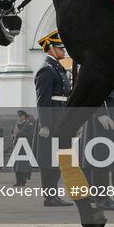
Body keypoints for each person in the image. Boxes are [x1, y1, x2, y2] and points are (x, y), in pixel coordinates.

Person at [34, 31, 74, 207]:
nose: (63, 51)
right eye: (60, 48)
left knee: (57, 159)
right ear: (51, 49)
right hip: (51, 120)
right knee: (49, 161)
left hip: (60, 117)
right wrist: (45, 124)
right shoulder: (46, 70)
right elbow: (43, 98)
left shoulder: (57, 68)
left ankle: (54, 195)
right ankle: (50, 197)